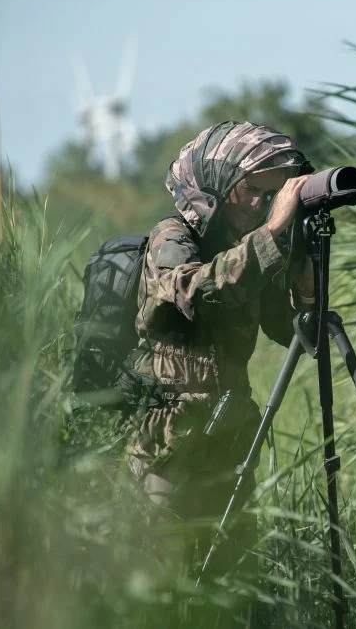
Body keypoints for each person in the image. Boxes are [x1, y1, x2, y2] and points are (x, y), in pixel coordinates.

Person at [117, 120, 316, 580]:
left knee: (228, 576)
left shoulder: (245, 249)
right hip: (168, 443)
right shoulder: (172, 238)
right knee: (162, 574)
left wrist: (306, 289)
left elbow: (289, 333)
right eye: (252, 191)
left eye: (272, 195)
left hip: (228, 437)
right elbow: (198, 292)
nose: (261, 204)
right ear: (216, 188)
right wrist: (274, 230)